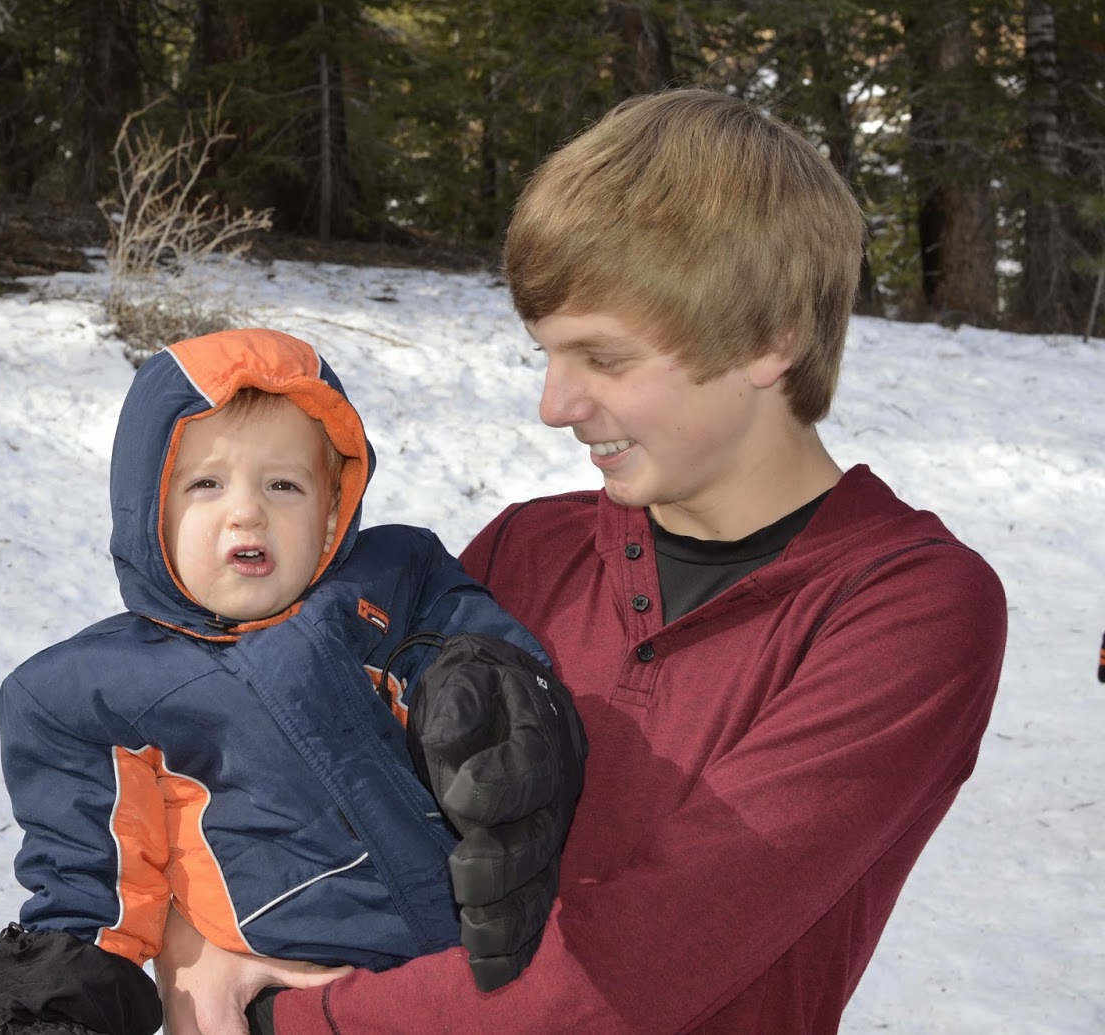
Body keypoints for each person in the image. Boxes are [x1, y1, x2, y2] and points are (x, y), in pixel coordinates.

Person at [153, 88, 1008, 1034]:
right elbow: (308, 788)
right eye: (547, 354)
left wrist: (296, 1022)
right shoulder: (528, 548)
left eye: (602, 358)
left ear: (774, 339)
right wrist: (188, 935)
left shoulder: (907, 607)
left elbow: (644, 958)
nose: (555, 403)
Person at [0, 327, 588, 1035]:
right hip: (279, 999)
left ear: (331, 510)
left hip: (467, 972)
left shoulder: (393, 580)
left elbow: (485, 659)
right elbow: (91, 879)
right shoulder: (94, 692)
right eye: (205, 483)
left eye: (283, 484)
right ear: (149, 511)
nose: (247, 510)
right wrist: (59, 1011)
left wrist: (483, 704)